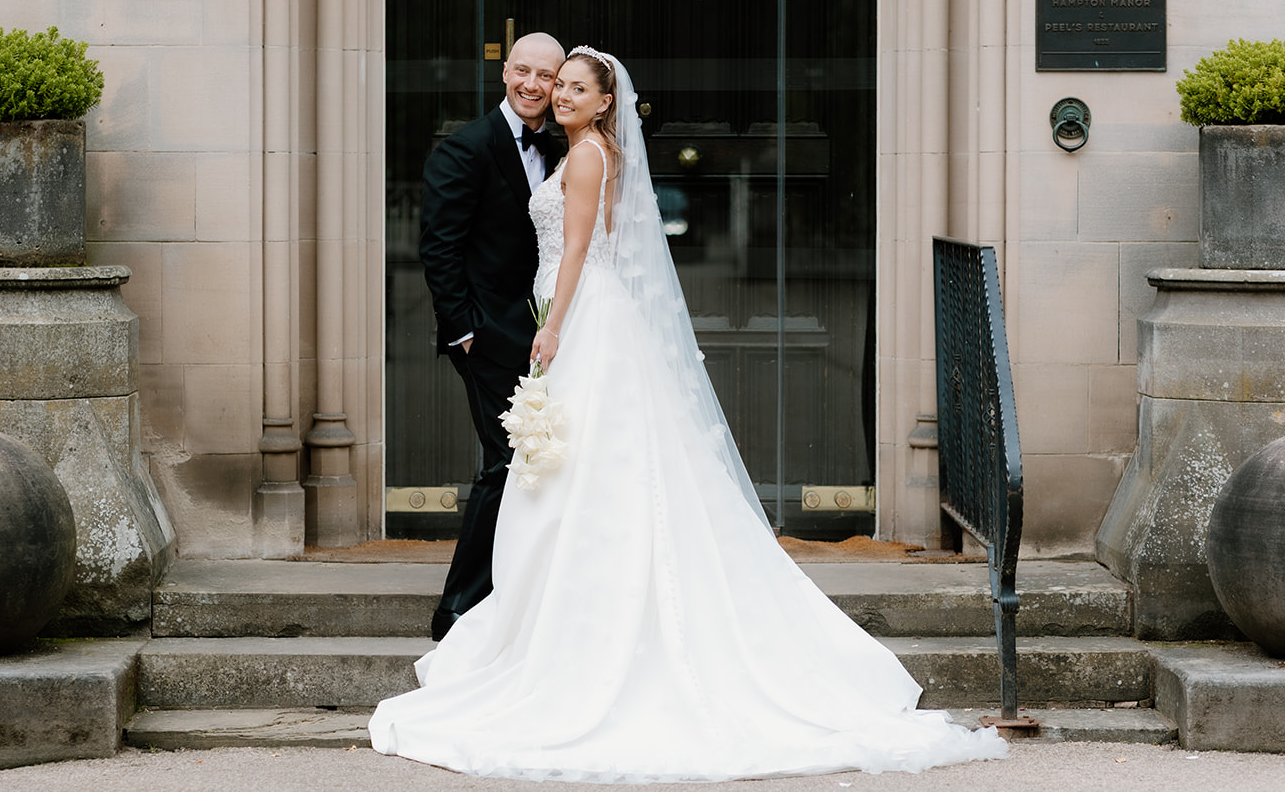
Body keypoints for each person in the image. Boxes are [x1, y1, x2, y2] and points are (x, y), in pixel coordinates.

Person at [374, 48, 1010, 780]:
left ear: (605, 100)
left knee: (574, 467)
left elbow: (577, 247)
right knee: (578, 467)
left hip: (579, 316)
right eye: (559, 84)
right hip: (580, 314)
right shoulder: (585, 149)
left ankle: (564, 634)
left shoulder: (584, 157)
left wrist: (553, 326)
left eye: (576, 86)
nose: (558, 94)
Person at [418, 32, 565, 642]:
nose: (533, 85)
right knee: (505, 463)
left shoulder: (562, 147)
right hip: (488, 336)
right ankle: (456, 609)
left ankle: (517, 595)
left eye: (547, 77)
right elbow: (439, 246)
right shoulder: (467, 147)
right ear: (505, 72)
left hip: (544, 335)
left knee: (538, 462)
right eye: (523, 71)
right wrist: (463, 333)